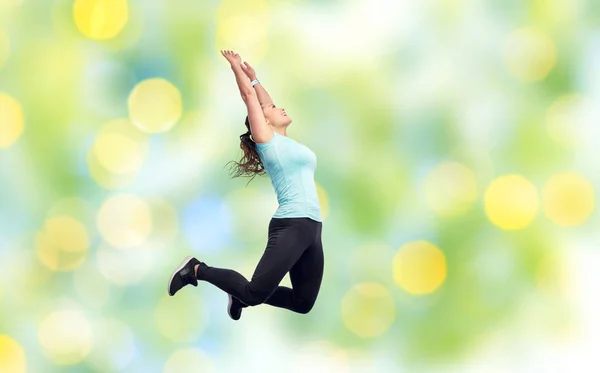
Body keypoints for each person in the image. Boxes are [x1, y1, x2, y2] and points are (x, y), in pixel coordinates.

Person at [167, 50, 324, 321]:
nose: (279, 106)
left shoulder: (287, 143)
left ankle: (235, 291)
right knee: (253, 293)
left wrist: (255, 79)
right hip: (292, 224)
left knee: (303, 302)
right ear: (261, 124)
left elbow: (262, 99)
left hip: (312, 227)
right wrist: (236, 68)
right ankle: (196, 270)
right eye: (272, 110)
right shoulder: (269, 143)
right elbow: (250, 100)